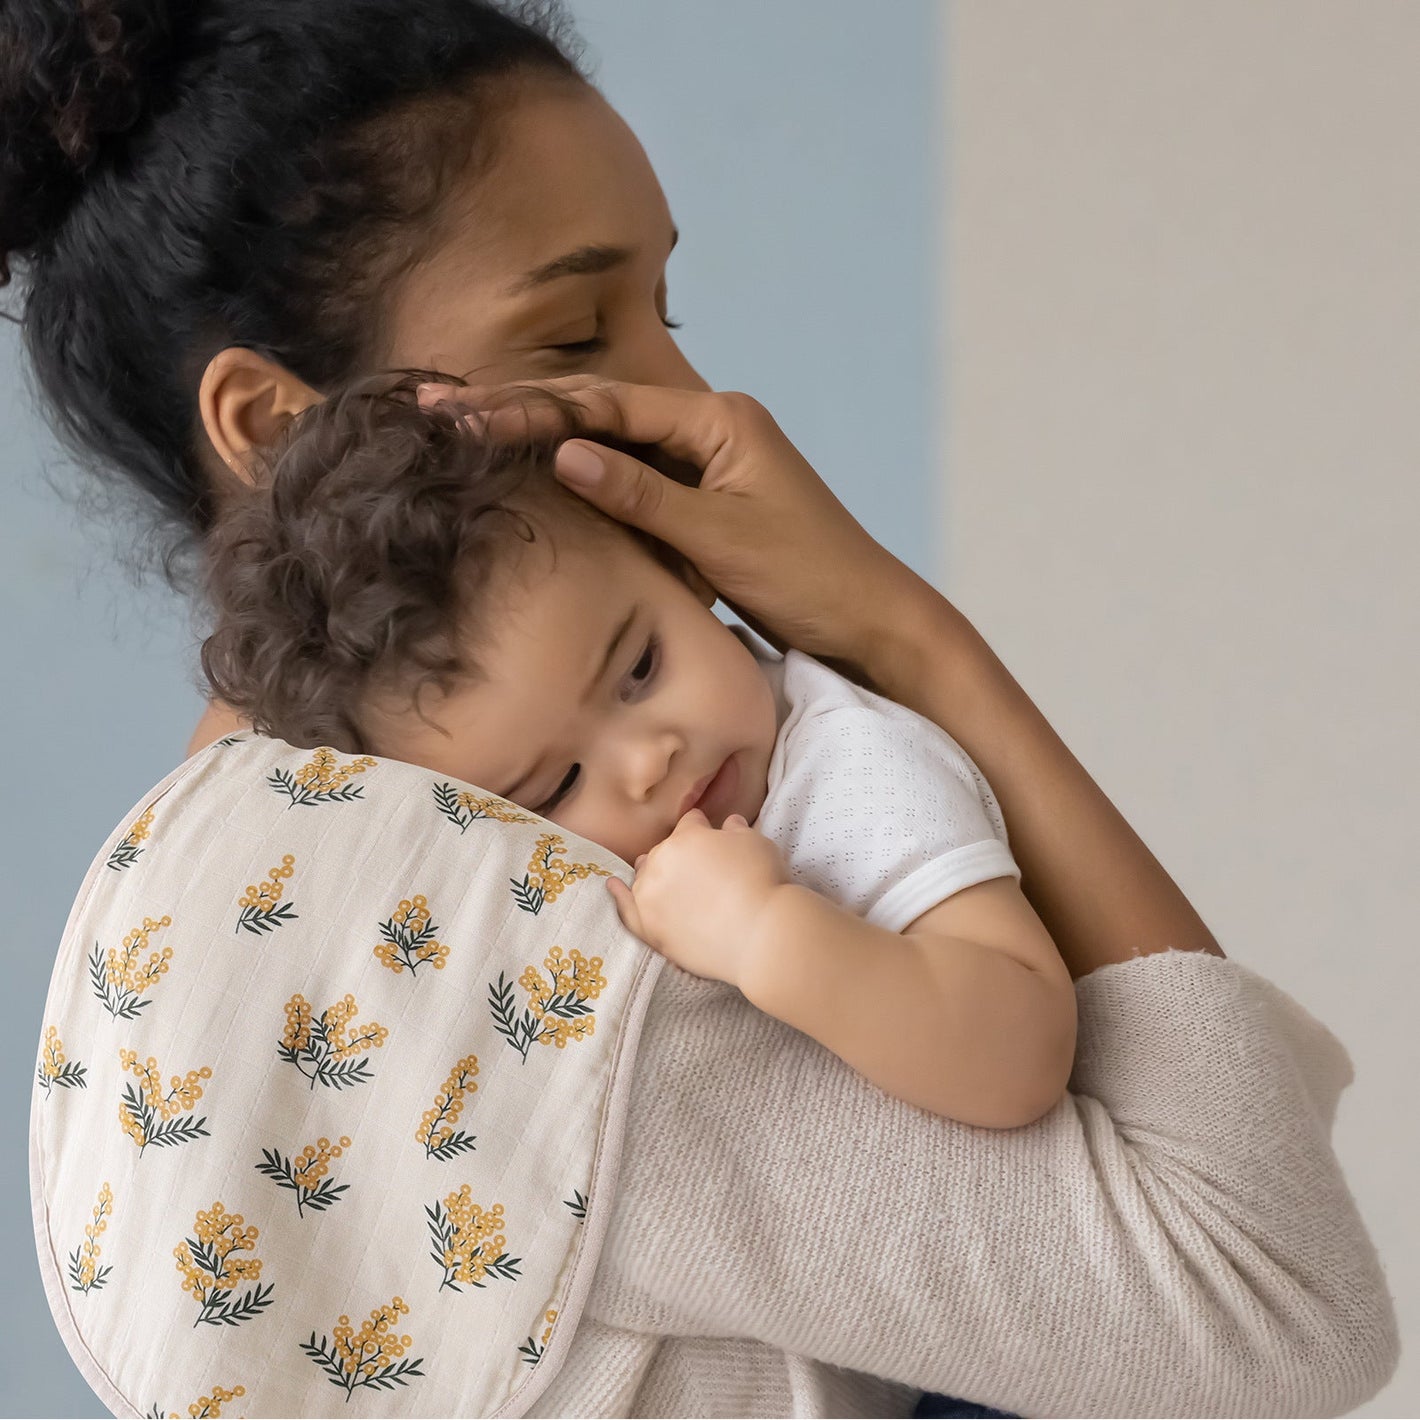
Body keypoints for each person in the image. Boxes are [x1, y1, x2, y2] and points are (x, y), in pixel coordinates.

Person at [5, 1, 1397, 1415]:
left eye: (665, 315)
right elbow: (1276, 1308)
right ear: (277, 429)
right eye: (572, 331)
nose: (690, 399)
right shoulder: (527, 921)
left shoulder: (162, 910)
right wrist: (907, 639)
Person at [199, 371, 1080, 1133]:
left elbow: (1025, 1045)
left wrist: (767, 936)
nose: (649, 761)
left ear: (682, 569)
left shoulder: (847, 771)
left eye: (641, 667)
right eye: (557, 786)